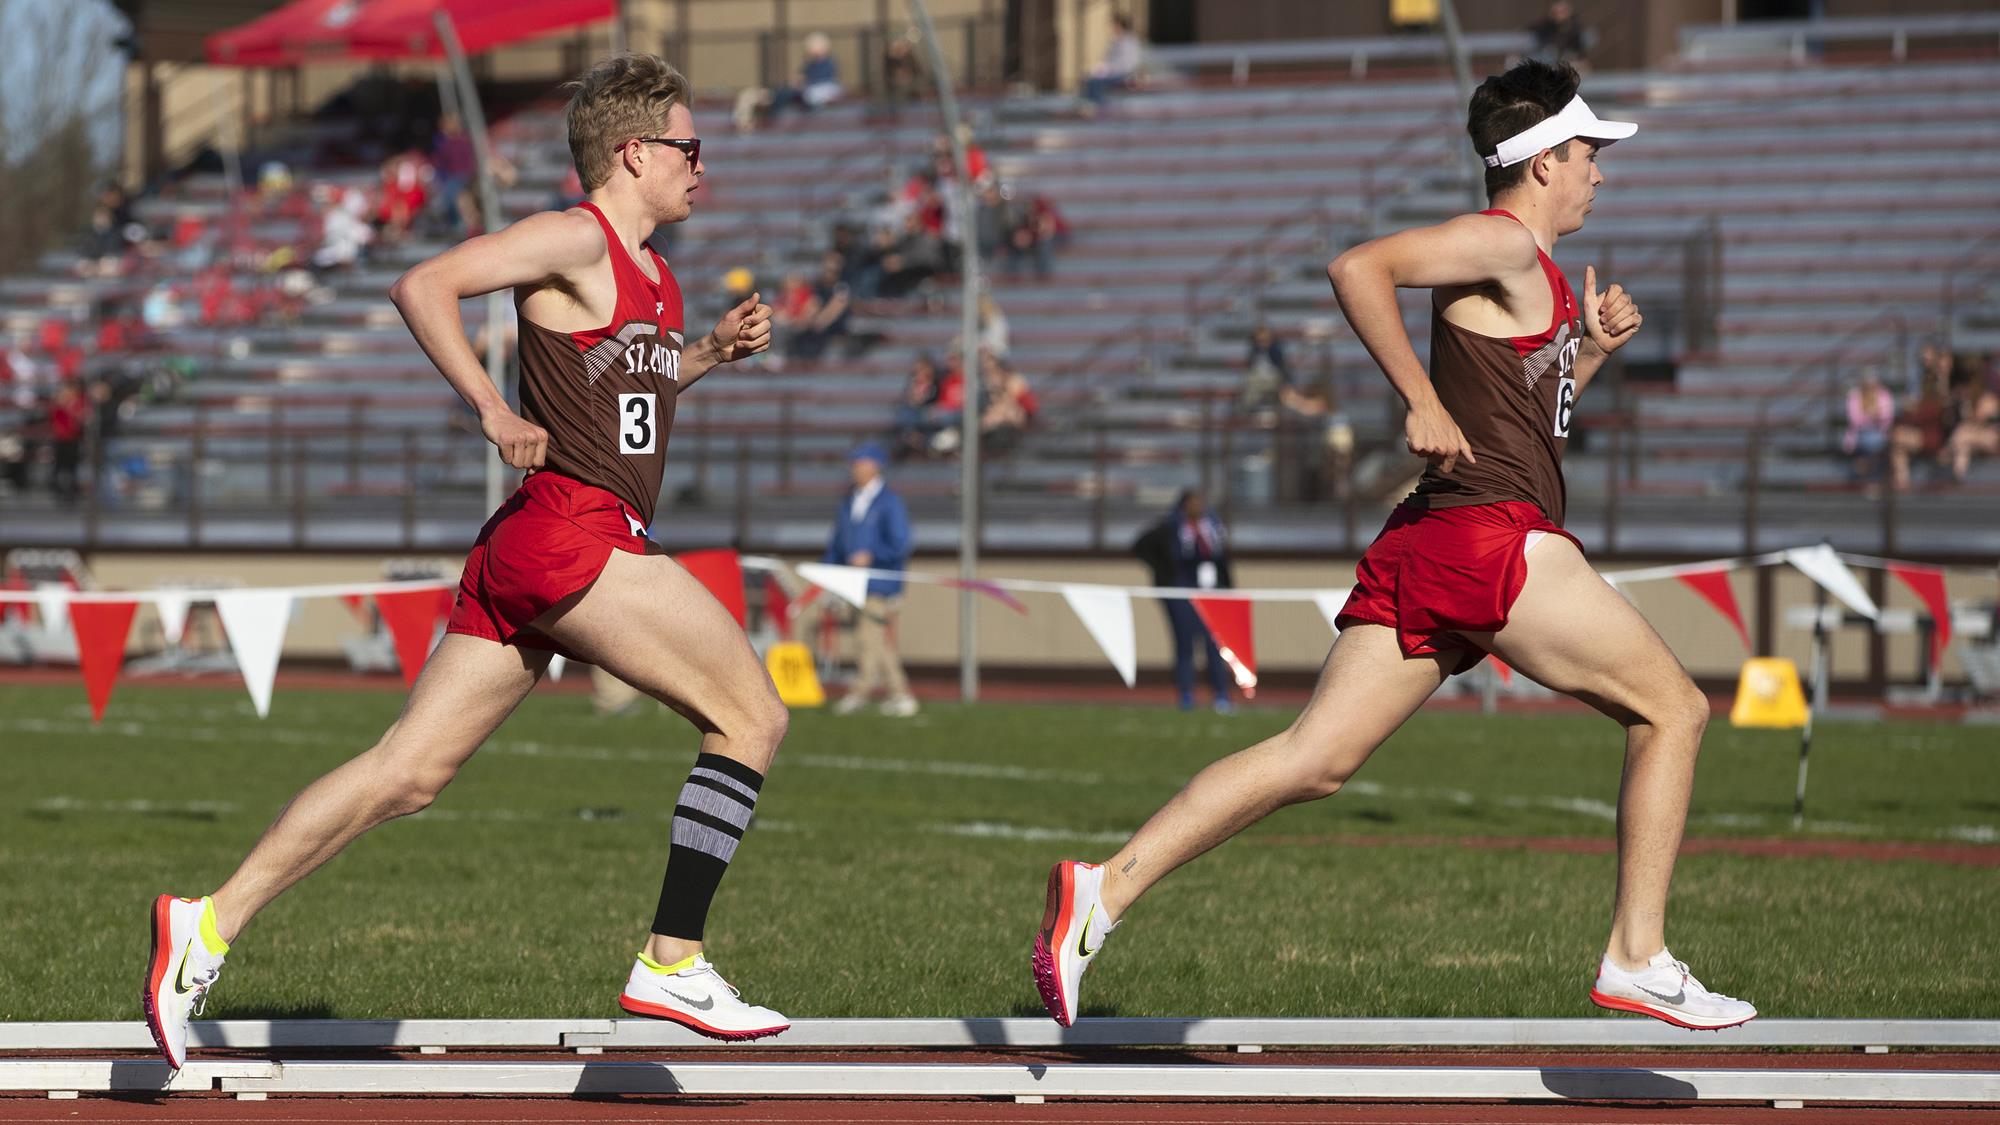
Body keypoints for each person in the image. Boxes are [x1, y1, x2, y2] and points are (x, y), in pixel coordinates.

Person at [1033, 60, 1758, 1035]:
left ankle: (1102, 891)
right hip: (1489, 536)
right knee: (1672, 709)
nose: (1598, 172)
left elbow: (1523, 423)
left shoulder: (1534, 273)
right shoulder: (1502, 240)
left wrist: (1585, 352)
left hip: (1438, 536)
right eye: (1588, 153)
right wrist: (1417, 398)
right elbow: (1356, 267)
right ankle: (1637, 955)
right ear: (1542, 162)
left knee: (1313, 759)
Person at [143, 54, 791, 1073]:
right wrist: (491, 406)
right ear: (634, 153)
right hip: (576, 530)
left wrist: (706, 353)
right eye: (689, 147)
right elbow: (423, 283)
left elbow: (632, 394)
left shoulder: (657, 275)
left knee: (406, 773)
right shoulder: (576, 236)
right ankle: (673, 957)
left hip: (537, 542)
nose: (701, 166)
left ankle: (207, 923)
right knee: (751, 717)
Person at [824, 442, 917, 717]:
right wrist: (827, 571)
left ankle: (862, 691)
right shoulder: (849, 500)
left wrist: (872, 555)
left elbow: (900, 543)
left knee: (868, 637)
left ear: (875, 466)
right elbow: (837, 543)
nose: (854, 469)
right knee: (874, 639)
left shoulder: (889, 502)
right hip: (853, 582)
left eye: (860, 463)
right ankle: (900, 693)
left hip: (878, 582)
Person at [1132, 490, 1235, 713]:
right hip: (1182, 591)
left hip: (1212, 591)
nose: (1197, 507)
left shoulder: (1213, 526)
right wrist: (1165, 573)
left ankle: (1221, 694)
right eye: (1193, 503)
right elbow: (1141, 547)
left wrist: (1227, 586)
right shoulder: (1170, 527)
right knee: (1185, 643)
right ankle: (1186, 694)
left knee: (1215, 644)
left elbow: (1222, 558)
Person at [1840, 369, 1894, 484]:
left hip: (1880, 434)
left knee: (1875, 443)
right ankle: (1868, 475)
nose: (1870, 386)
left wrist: (1871, 416)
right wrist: (1872, 416)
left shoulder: (1883, 394)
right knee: (1869, 441)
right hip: (1859, 435)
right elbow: (1855, 420)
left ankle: (1868, 475)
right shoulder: (1855, 395)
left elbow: (1886, 417)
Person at [1081, 13, 1141, 113]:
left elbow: (1127, 64)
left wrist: (1109, 69)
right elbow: (1108, 59)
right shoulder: (1115, 41)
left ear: (1120, 25)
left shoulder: (1129, 42)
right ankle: (1089, 104)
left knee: (1096, 82)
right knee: (1088, 79)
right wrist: (1102, 68)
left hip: (1124, 74)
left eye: (1114, 25)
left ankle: (1100, 106)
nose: (1112, 28)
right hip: (1112, 73)